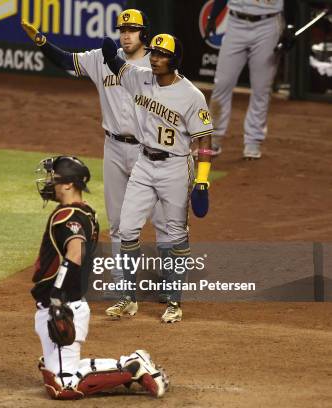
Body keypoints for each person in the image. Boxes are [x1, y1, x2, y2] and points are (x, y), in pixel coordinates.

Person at [21, 9, 172, 320]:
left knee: (163, 221)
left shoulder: (157, 64)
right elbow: (66, 61)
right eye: (122, 30)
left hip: (150, 151)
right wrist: (41, 41)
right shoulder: (100, 58)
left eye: (132, 30)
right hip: (115, 148)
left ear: (144, 33)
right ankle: (124, 291)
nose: (126, 35)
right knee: (118, 223)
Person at [31, 155, 169, 399]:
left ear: (68, 184)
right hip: (67, 303)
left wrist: (56, 296)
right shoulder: (84, 212)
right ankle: (63, 364)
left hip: (63, 304)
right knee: (59, 373)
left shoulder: (68, 216)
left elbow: (75, 251)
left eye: (54, 178)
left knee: (63, 387)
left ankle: (133, 368)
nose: (49, 183)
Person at [101, 34, 214, 323]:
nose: (154, 58)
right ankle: (127, 299)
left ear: (174, 60)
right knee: (126, 228)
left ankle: (174, 302)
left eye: (161, 55)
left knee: (175, 233)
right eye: (153, 53)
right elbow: (119, 69)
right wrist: (110, 55)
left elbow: (204, 141)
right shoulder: (140, 77)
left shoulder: (191, 95)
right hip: (143, 162)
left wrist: (202, 181)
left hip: (175, 167)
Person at [205, 0, 285, 159]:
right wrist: (212, 16)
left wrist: (289, 25)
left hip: (268, 24)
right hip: (235, 22)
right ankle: (213, 139)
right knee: (222, 83)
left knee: (261, 88)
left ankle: (253, 141)